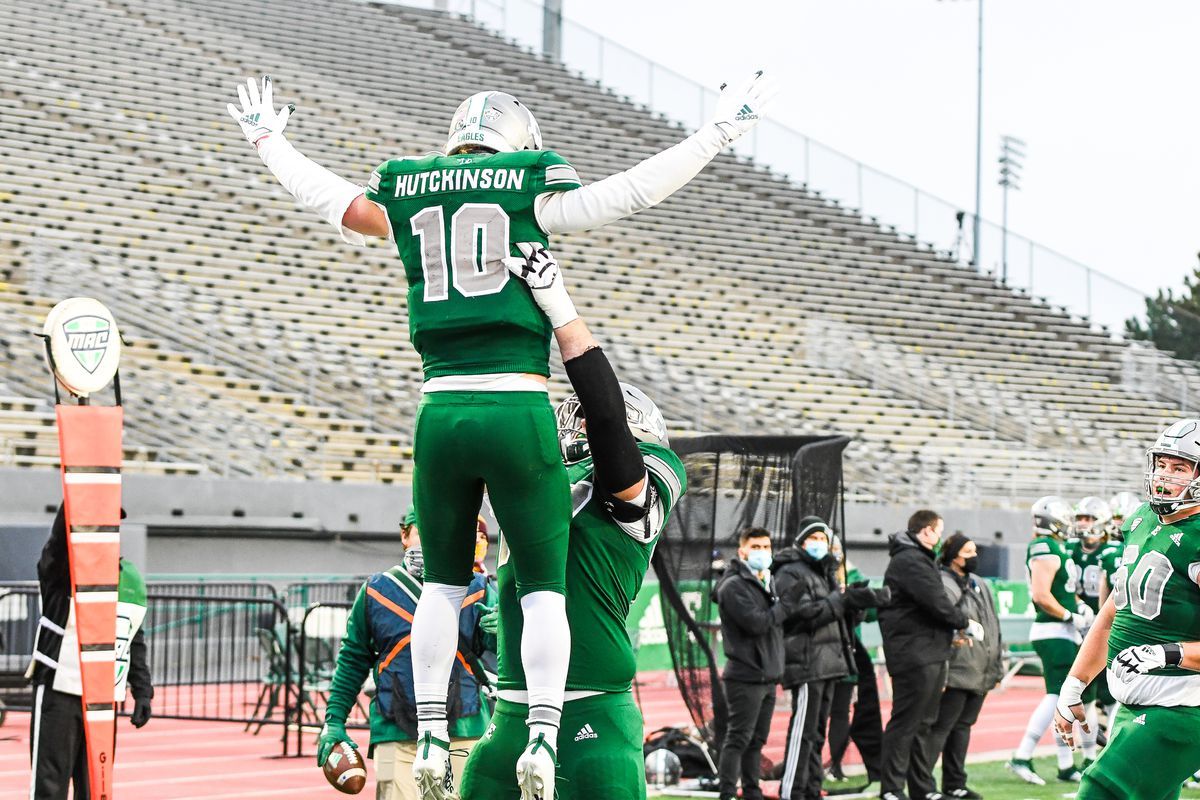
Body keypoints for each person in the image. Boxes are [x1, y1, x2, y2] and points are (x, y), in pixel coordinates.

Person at [226, 70, 773, 799]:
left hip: (439, 406)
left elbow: (335, 201)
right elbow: (627, 193)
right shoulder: (526, 187)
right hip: (511, 406)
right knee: (539, 590)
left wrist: (270, 144)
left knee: (441, 586)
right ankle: (534, 739)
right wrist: (714, 135)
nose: (574, 424)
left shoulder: (640, 473)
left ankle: (429, 734)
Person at [459, 275, 688, 800]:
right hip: (513, 706)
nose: (579, 422)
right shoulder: (536, 473)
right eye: (575, 416)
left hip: (595, 709)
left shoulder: (641, 478)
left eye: (588, 417)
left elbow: (607, 422)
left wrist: (560, 313)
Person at [1054, 419, 1200, 800]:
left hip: (1182, 706)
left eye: (1180, 468)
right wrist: (1075, 683)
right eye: (1162, 464)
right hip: (1131, 702)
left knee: (1099, 791)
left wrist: (1168, 652)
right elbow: (1114, 609)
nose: (1164, 477)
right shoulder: (1141, 519)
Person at [318, 507, 492, 800]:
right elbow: (353, 659)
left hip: (464, 724)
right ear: (404, 535)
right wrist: (334, 720)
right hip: (397, 730)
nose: (431, 539)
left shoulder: (478, 587)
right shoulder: (377, 590)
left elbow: (501, 656)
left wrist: (502, 632)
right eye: (422, 530)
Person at [27, 506, 153, 800]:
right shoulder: (61, 572)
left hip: (103, 698)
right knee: (49, 786)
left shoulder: (127, 577)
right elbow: (56, 547)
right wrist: (75, 502)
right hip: (60, 692)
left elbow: (133, 636)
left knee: (96, 788)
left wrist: (143, 690)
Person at [772, 518, 889, 800]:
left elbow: (835, 616)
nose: (820, 544)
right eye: (814, 538)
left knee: (816, 734)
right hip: (807, 662)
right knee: (803, 732)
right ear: (801, 541)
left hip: (830, 662)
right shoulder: (789, 572)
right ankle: (791, 791)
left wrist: (856, 605)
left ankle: (811, 789)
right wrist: (841, 602)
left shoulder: (826, 573)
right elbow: (802, 615)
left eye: (823, 539)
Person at [877, 509, 970, 800]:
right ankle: (891, 789)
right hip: (913, 653)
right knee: (906, 722)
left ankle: (922, 789)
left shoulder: (916, 558)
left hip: (926, 650)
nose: (940, 537)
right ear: (927, 531)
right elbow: (936, 602)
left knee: (923, 724)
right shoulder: (910, 560)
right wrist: (963, 621)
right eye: (938, 530)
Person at [1006, 496, 1094, 786]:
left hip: (1062, 631)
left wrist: (1079, 606)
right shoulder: (1044, 547)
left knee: (1064, 699)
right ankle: (1022, 755)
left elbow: (1064, 590)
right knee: (1057, 697)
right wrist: (1070, 615)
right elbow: (1041, 596)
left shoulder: (1055, 547)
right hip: (1053, 631)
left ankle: (1065, 765)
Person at [713, 527, 792, 800]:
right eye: (756, 546)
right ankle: (726, 793)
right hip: (745, 675)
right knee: (738, 738)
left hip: (767, 676)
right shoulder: (733, 585)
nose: (763, 552)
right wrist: (785, 606)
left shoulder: (764, 580)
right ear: (742, 550)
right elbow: (757, 623)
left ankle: (751, 790)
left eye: (767, 546)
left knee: (756, 740)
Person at [924, 534, 1002, 800]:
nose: (974, 556)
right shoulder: (944, 582)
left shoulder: (979, 583)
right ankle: (924, 787)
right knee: (941, 728)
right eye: (968, 551)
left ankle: (954, 783)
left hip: (980, 667)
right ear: (954, 555)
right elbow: (943, 620)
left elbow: (993, 625)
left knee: (962, 726)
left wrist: (997, 666)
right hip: (957, 668)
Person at [825, 537, 885, 788]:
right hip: (824, 653)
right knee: (818, 715)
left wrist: (863, 602)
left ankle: (836, 765)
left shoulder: (853, 574)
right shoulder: (817, 576)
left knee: (840, 712)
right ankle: (814, 765)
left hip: (849, 654)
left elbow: (870, 614)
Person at [1068, 496, 1115, 765]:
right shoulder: (1070, 548)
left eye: (1089, 518)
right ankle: (1086, 754)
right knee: (1081, 690)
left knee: (1110, 691)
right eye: (1081, 518)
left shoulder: (1111, 551)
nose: (1083, 524)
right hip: (1077, 624)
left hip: (1103, 626)